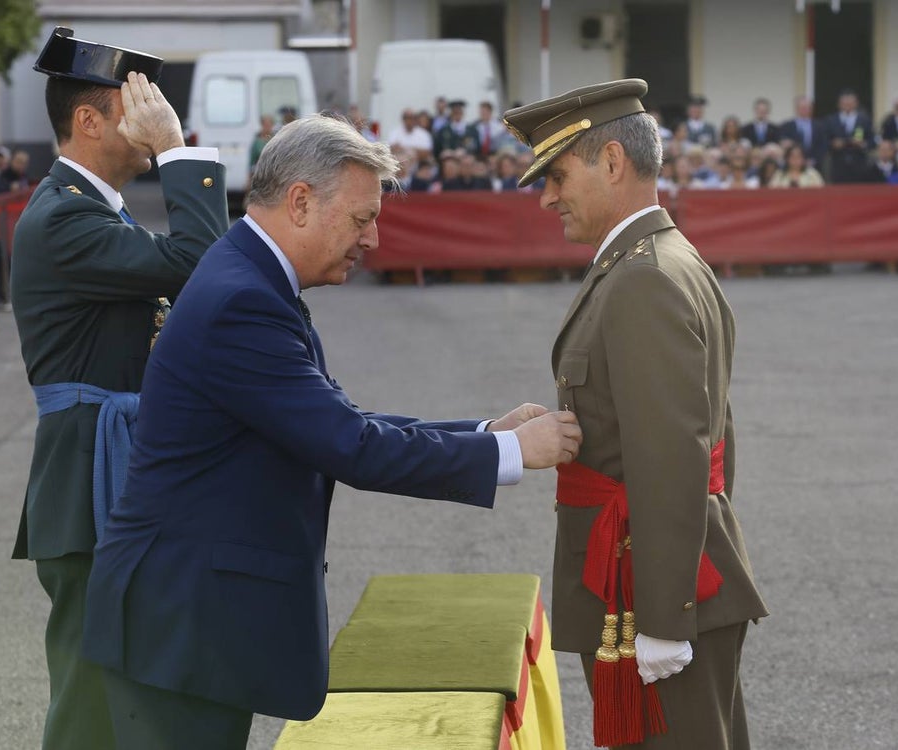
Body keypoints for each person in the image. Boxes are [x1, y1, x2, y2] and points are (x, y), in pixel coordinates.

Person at [80, 114, 583, 749]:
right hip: (179, 625)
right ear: (299, 202)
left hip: (189, 618)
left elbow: (341, 422)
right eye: (361, 218)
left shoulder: (252, 277)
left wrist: (485, 431)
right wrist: (509, 452)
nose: (373, 238)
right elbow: (351, 445)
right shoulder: (245, 300)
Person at [503, 79, 768, 750]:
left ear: (612, 162)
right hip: (648, 578)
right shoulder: (658, 259)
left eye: (558, 175)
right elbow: (713, 440)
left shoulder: (643, 276)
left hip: (645, 597)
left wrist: (665, 615)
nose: (548, 196)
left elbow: (681, 452)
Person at [9, 26, 228, 750]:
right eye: (135, 106)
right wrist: (176, 147)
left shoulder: (95, 207)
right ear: (89, 120)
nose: (149, 119)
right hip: (87, 478)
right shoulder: (66, 214)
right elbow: (199, 260)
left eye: (154, 109)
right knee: (91, 696)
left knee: (126, 690)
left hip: (117, 467)